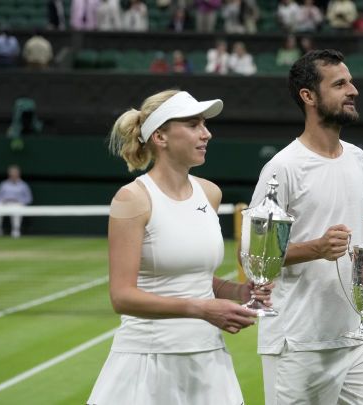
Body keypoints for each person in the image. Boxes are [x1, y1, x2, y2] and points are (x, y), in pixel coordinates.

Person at [87, 89, 270, 404]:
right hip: (148, 364)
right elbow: (122, 296)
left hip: (209, 361)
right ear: (160, 136)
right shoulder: (132, 199)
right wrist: (200, 308)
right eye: (193, 124)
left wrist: (238, 292)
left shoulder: (210, 193)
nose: (206, 133)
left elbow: (195, 277)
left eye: (204, 124)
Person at [248, 49, 363, 404]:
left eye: (351, 81)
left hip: (354, 337)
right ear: (309, 96)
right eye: (340, 84)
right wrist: (316, 248)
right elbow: (251, 257)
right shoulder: (282, 168)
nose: (353, 90)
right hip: (297, 342)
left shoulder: (358, 159)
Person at [0, 165, 32, 238]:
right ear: (9, 174)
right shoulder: (4, 184)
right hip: (4, 203)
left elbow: (29, 198)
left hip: (17, 204)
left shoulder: (23, 185)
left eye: (15, 173)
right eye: (12, 174)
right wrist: (2, 200)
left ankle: (16, 230)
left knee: (17, 210)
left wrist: (19, 201)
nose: (13, 175)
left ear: (18, 174)